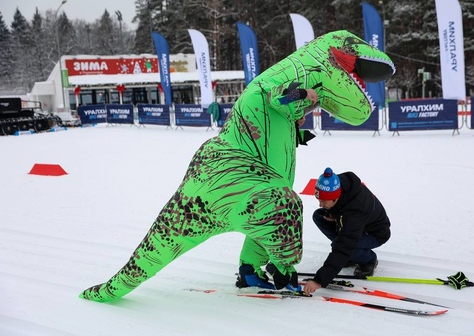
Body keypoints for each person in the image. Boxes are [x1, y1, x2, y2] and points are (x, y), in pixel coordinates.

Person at [79, 31, 394, 302]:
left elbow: (284, 108)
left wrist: (303, 113)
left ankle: (249, 271)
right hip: (225, 174)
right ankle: (283, 273)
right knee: (282, 206)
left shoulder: (298, 83)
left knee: (263, 213)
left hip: (246, 175)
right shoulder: (294, 71)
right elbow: (275, 94)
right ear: (332, 51)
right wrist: (304, 93)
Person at [303, 167, 391, 295]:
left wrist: (319, 280)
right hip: (357, 225)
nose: (320, 204)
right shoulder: (340, 186)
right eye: (319, 200)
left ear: (335, 198)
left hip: (375, 233)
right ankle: (350, 256)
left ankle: (369, 260)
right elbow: (341, 207)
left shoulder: (355, 211)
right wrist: (333, 213)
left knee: (346, 247)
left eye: (323, 201)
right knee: (319, 216)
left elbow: (344, 245)